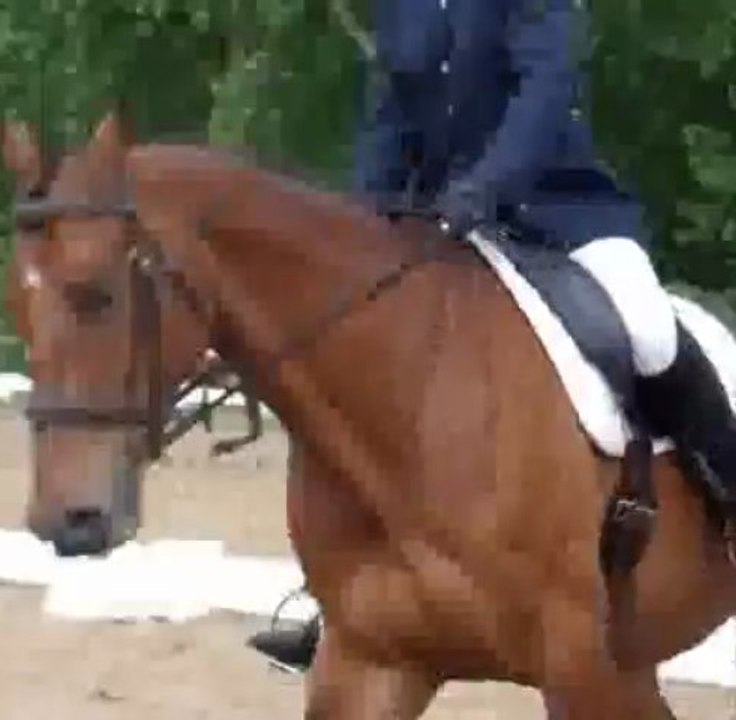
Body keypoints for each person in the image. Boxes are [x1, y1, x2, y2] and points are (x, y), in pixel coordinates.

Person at [246, 0, 736, 672]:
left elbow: (546, 92)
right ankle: (338, 596)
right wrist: (362, 223)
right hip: (438, 223)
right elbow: (390, 118)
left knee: (649, 329)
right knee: (362, 380)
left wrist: (485, 187)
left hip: (559, 216)